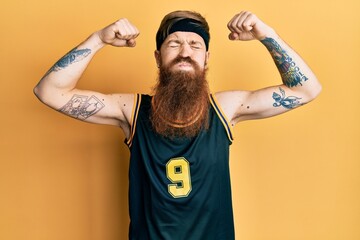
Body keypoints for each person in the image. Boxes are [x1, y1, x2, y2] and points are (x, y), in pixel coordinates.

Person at [34, 10, 321, 240]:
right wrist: (98, 39)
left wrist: (266, 34)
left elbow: (306, 90)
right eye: (174, 43)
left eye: (195, 45)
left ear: (206, 59)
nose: (185, 51)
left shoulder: (225, 108)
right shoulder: (131, 111)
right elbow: (49, 92)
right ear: (158, 58)